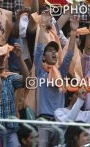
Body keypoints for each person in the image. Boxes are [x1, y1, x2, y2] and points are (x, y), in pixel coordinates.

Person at [35, 13, 77, 147]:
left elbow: (69, 54)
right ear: (43, 57)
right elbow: (38, 50)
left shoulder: (61, 72)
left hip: (60, 122)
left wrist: (74, 31)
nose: (54, 53)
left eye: (55, 51)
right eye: (50, 51)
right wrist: (42, 25)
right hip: (43, 123)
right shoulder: (39, 70)